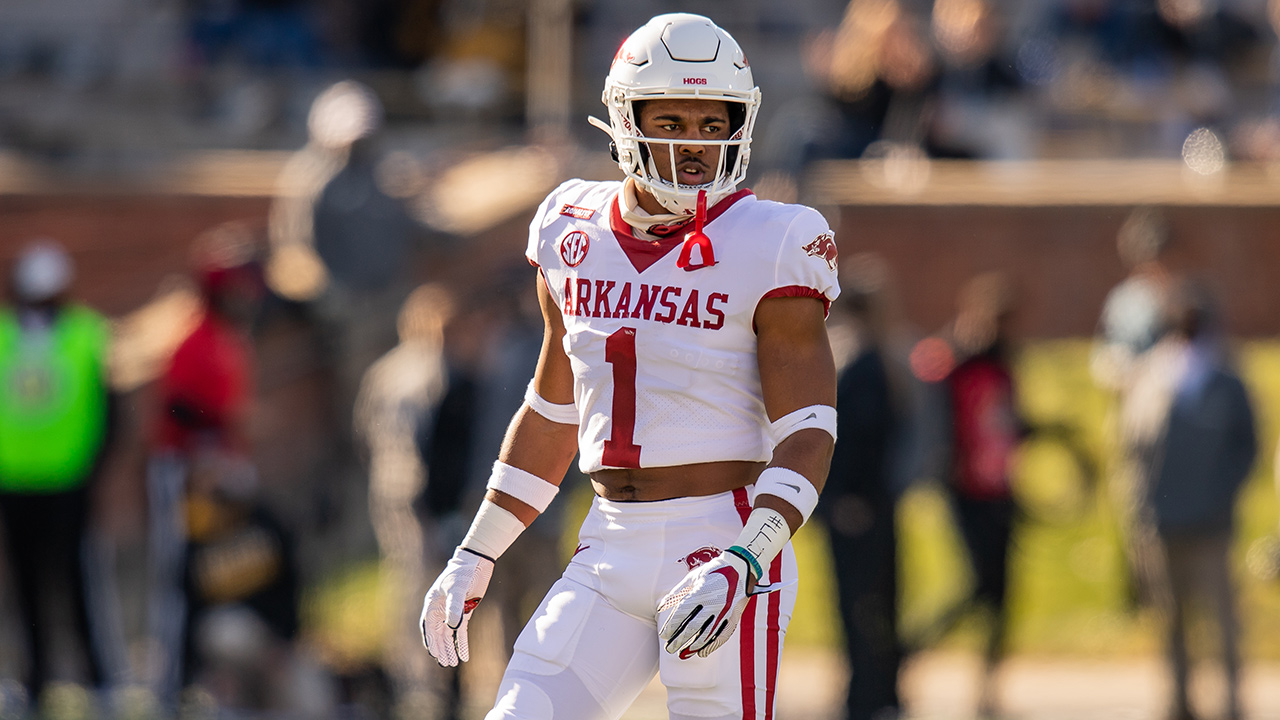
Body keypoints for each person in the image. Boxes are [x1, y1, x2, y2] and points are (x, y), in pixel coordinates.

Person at [419, 13, 840, 720]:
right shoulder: (570, 228)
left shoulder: (775, 240)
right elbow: (555, 412)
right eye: (672, 119)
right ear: (624, 118)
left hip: (723, 539)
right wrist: (477, 551)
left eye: (714, 123)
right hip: (610, 542)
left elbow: (809, 431)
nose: (695, 145)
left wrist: (747, 558)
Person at [145, 224, 264, 712]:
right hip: (187, 472)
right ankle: (168, 687)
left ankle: (213, 686)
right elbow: (175, 408)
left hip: (219, 474)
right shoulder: (194, 339)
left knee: (226, 576)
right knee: (181, 578)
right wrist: (215, 436)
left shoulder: (227, 338)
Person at [0, 240, 117, 709]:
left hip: (70, 482)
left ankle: (98, 680)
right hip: (14, 482)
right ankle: (36, 682)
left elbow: (109, 409)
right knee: (26, 588)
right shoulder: (4, 335)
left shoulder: (86, 333)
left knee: (78, 584)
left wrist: (94, 465)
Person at [1132, 280, 1255, 720]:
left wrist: (1222, 492)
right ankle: (1179, 702)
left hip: (1211, 521)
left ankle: (1232, 703)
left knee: (1222, 620)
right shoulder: (1151, 376)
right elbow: (1133, 450)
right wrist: (1141, 506)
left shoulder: (1225, 381)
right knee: (1171, 621)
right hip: (1162, 520)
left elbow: (1247, 446)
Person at [817, 254, 903, 720]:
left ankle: (871, 691)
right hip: (862, 505)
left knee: (865, 604)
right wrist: (842, 498)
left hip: (859, 502)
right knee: (868, 604)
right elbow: (853, 437)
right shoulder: (863, 358)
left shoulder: (849, 354)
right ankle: (870, 693)